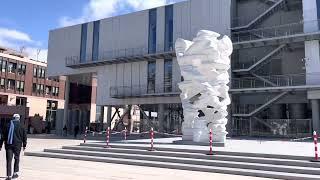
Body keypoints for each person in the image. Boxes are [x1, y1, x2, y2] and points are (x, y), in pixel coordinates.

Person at [0, 114, 27, 180]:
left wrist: (0, 145)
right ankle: (15, 173)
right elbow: (24, 136)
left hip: (9, 145)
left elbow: (2, 136)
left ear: (13, 118)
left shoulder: (8, 125)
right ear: (19, 119)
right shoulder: (22, 126)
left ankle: (8, 176)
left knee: (9, 160)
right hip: (17, 145)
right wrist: (24, 145)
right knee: (17, 158)